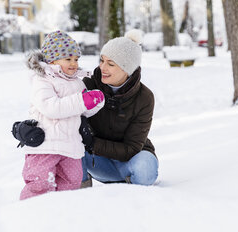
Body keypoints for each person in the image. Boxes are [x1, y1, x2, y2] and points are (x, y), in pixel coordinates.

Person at [19, 30, 105, 200]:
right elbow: (51, 107)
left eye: (76, 59)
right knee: (40, 183)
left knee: (72, 183)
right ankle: (29, 214)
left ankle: (61, 214)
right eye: (68, 59)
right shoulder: (42, 79)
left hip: (70, 146)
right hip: (46, 145)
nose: (74, 64)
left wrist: (95, 102)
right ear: (52, 60)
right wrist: (82, 101)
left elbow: (81, 109)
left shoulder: (77, 81)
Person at [79, 29, 158, 186]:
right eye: (102, 60)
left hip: (131, 160)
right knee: (72, 149)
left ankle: (132, 192)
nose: (102, 67)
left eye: (110, 64)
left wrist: (92, 143)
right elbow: (57, 105)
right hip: (99, 162)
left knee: (144, 168)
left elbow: (132, 148)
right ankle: (81, 192)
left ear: (127, 69)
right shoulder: (88, 85)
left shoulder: (144, 97)